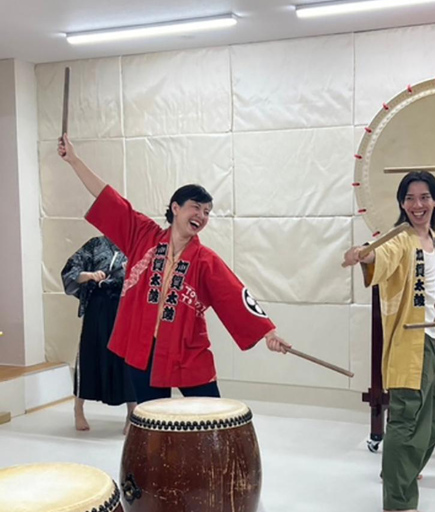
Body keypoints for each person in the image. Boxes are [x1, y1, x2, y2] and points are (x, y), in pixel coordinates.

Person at [58, 133, 289, 404]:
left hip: (186, 350)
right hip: (143, 349)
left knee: (211, 417)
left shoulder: (205, 260)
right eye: (196, 208)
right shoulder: (142, 235)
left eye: (207, 212)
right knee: (152, 423)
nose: (202, 216)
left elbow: (235, 296)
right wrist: (74, 161)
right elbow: (108, 198)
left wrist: (268, 333)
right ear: (175, 208)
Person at [344, 163, 435, 512]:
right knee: (407, 420)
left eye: (425, 197)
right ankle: (399, 500)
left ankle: (403, 470)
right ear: (402, 204)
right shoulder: (400, 238)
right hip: (410, 341)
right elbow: (379, 253)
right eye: (409, 199)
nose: (417, 204)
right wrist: (362, 254)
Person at [61, 236, 136, 433]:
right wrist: (89, 275)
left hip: (125, 306)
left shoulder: (135, 244)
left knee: (127, 359)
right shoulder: (96, 244)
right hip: (98, 305)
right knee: (89, 355)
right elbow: (71, 270)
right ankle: (78, 409)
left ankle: (132, 414)